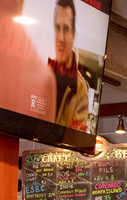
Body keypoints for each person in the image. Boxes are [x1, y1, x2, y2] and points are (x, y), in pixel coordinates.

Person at [48, 0, 89, 132]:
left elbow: (76, 138)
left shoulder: (80, 90)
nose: (61, 38)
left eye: (65, 29)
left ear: (73, 33)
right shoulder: (42, 74)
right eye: (57, 27)